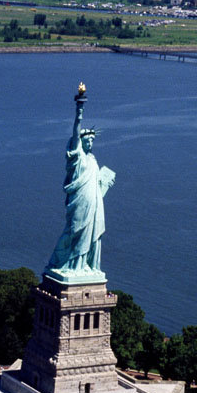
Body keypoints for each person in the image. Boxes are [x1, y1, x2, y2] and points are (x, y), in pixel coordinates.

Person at [47, 83, 115, 275]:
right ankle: (64, 264)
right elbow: (76, 133)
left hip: (93, 201)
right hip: (79, 201)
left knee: (91, 233)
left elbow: (95, 182)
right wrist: (80, 110)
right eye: (88, 139)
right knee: (75, 231)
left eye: (93, 139)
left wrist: (104, 183)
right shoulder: (77, 157)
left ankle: (86, 265)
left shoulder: (93, 159)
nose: (91, 142)